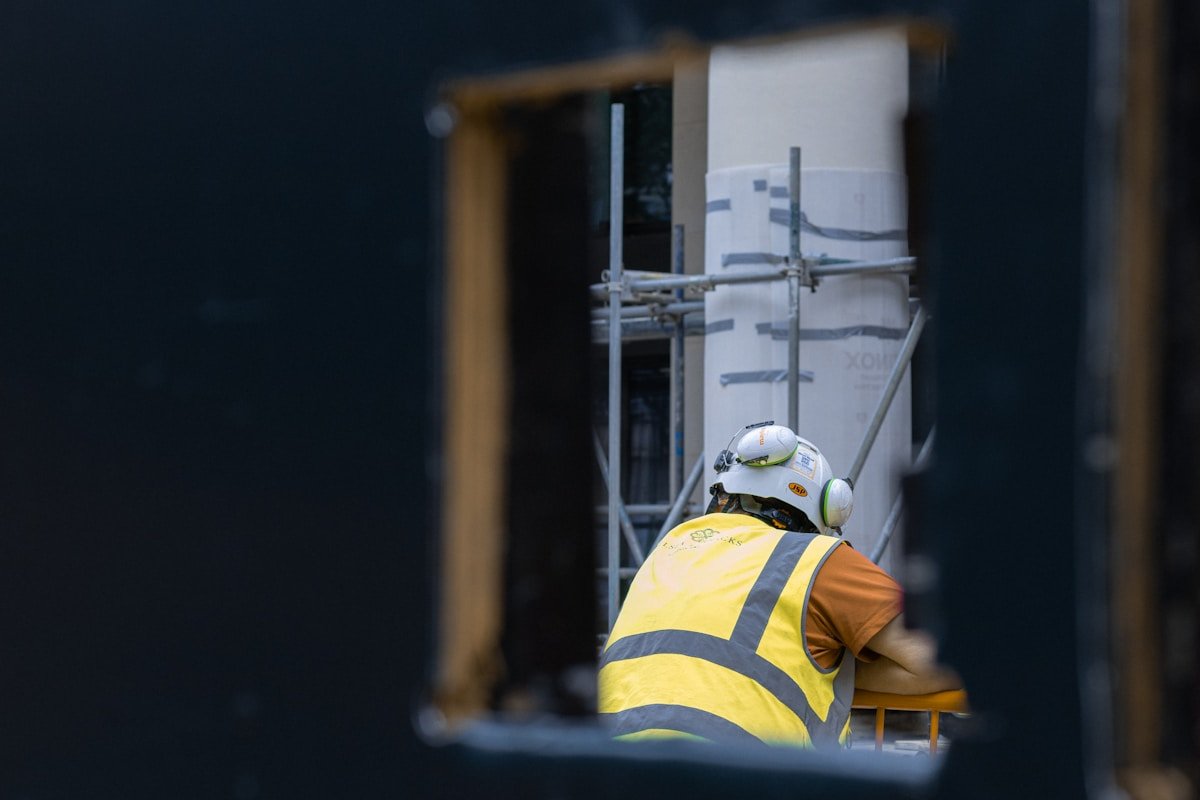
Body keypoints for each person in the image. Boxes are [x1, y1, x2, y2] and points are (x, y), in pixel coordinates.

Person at [597, 421, 960, 748]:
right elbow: (948, 659)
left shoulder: (668, 549)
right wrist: (831, 675)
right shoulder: (818, 558)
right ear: (825, 510)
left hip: (613, 773)